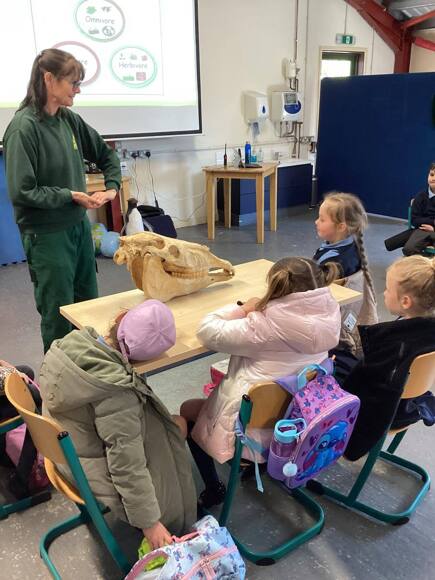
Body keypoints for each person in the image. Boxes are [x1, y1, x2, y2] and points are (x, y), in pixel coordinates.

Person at [180, 257, 342, 508]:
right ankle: (269, 466)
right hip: (296, 425)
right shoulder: (331, 315)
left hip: (249, 436)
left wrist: (244, 309)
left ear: (275, 287)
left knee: (187, 409)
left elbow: (207, 331)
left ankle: (214, 488)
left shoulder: (262, 326)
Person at [39, 300, 197, 549]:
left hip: (67, 450)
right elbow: (126, 464)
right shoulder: (117, 393)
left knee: (167, 426)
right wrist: (150, 522)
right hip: (88, 470)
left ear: (120, 317)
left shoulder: (72, 345)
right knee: (176, 428)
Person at [3, 48, 121, 353]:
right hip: (47, 236)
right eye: (73, 83)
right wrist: (69, 195)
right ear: (48, 79)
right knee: (58, 316)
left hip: (78, 229)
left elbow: (106, 154)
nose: (78, 90)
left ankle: (88, 372)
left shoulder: (69, 120)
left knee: (87, 309)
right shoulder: (23, 128)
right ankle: (60, 379)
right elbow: (22, 191)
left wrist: (112, 187)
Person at [340, 255, 435, 461]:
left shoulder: (395, 348)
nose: (384, 293)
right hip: (412, 401)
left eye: (388, 289)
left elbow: (375, 400)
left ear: (406, 301)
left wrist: (351, 445)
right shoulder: (425, 329)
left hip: (391, 411)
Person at [313, 192, 378, 356]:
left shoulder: (336, 262)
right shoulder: (350, 247)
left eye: (322, 219)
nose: (316, 222)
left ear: (341, 227)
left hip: (333, 330)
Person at [384, 162, 435, 255]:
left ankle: (420, 255)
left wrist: (432, 228)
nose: (433, 178)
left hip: (431, 231)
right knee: (391, 243)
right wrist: (432, 222)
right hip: (421, 229)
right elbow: (415, 220)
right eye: (431, 175)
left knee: (409, 249)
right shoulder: (420, 196)